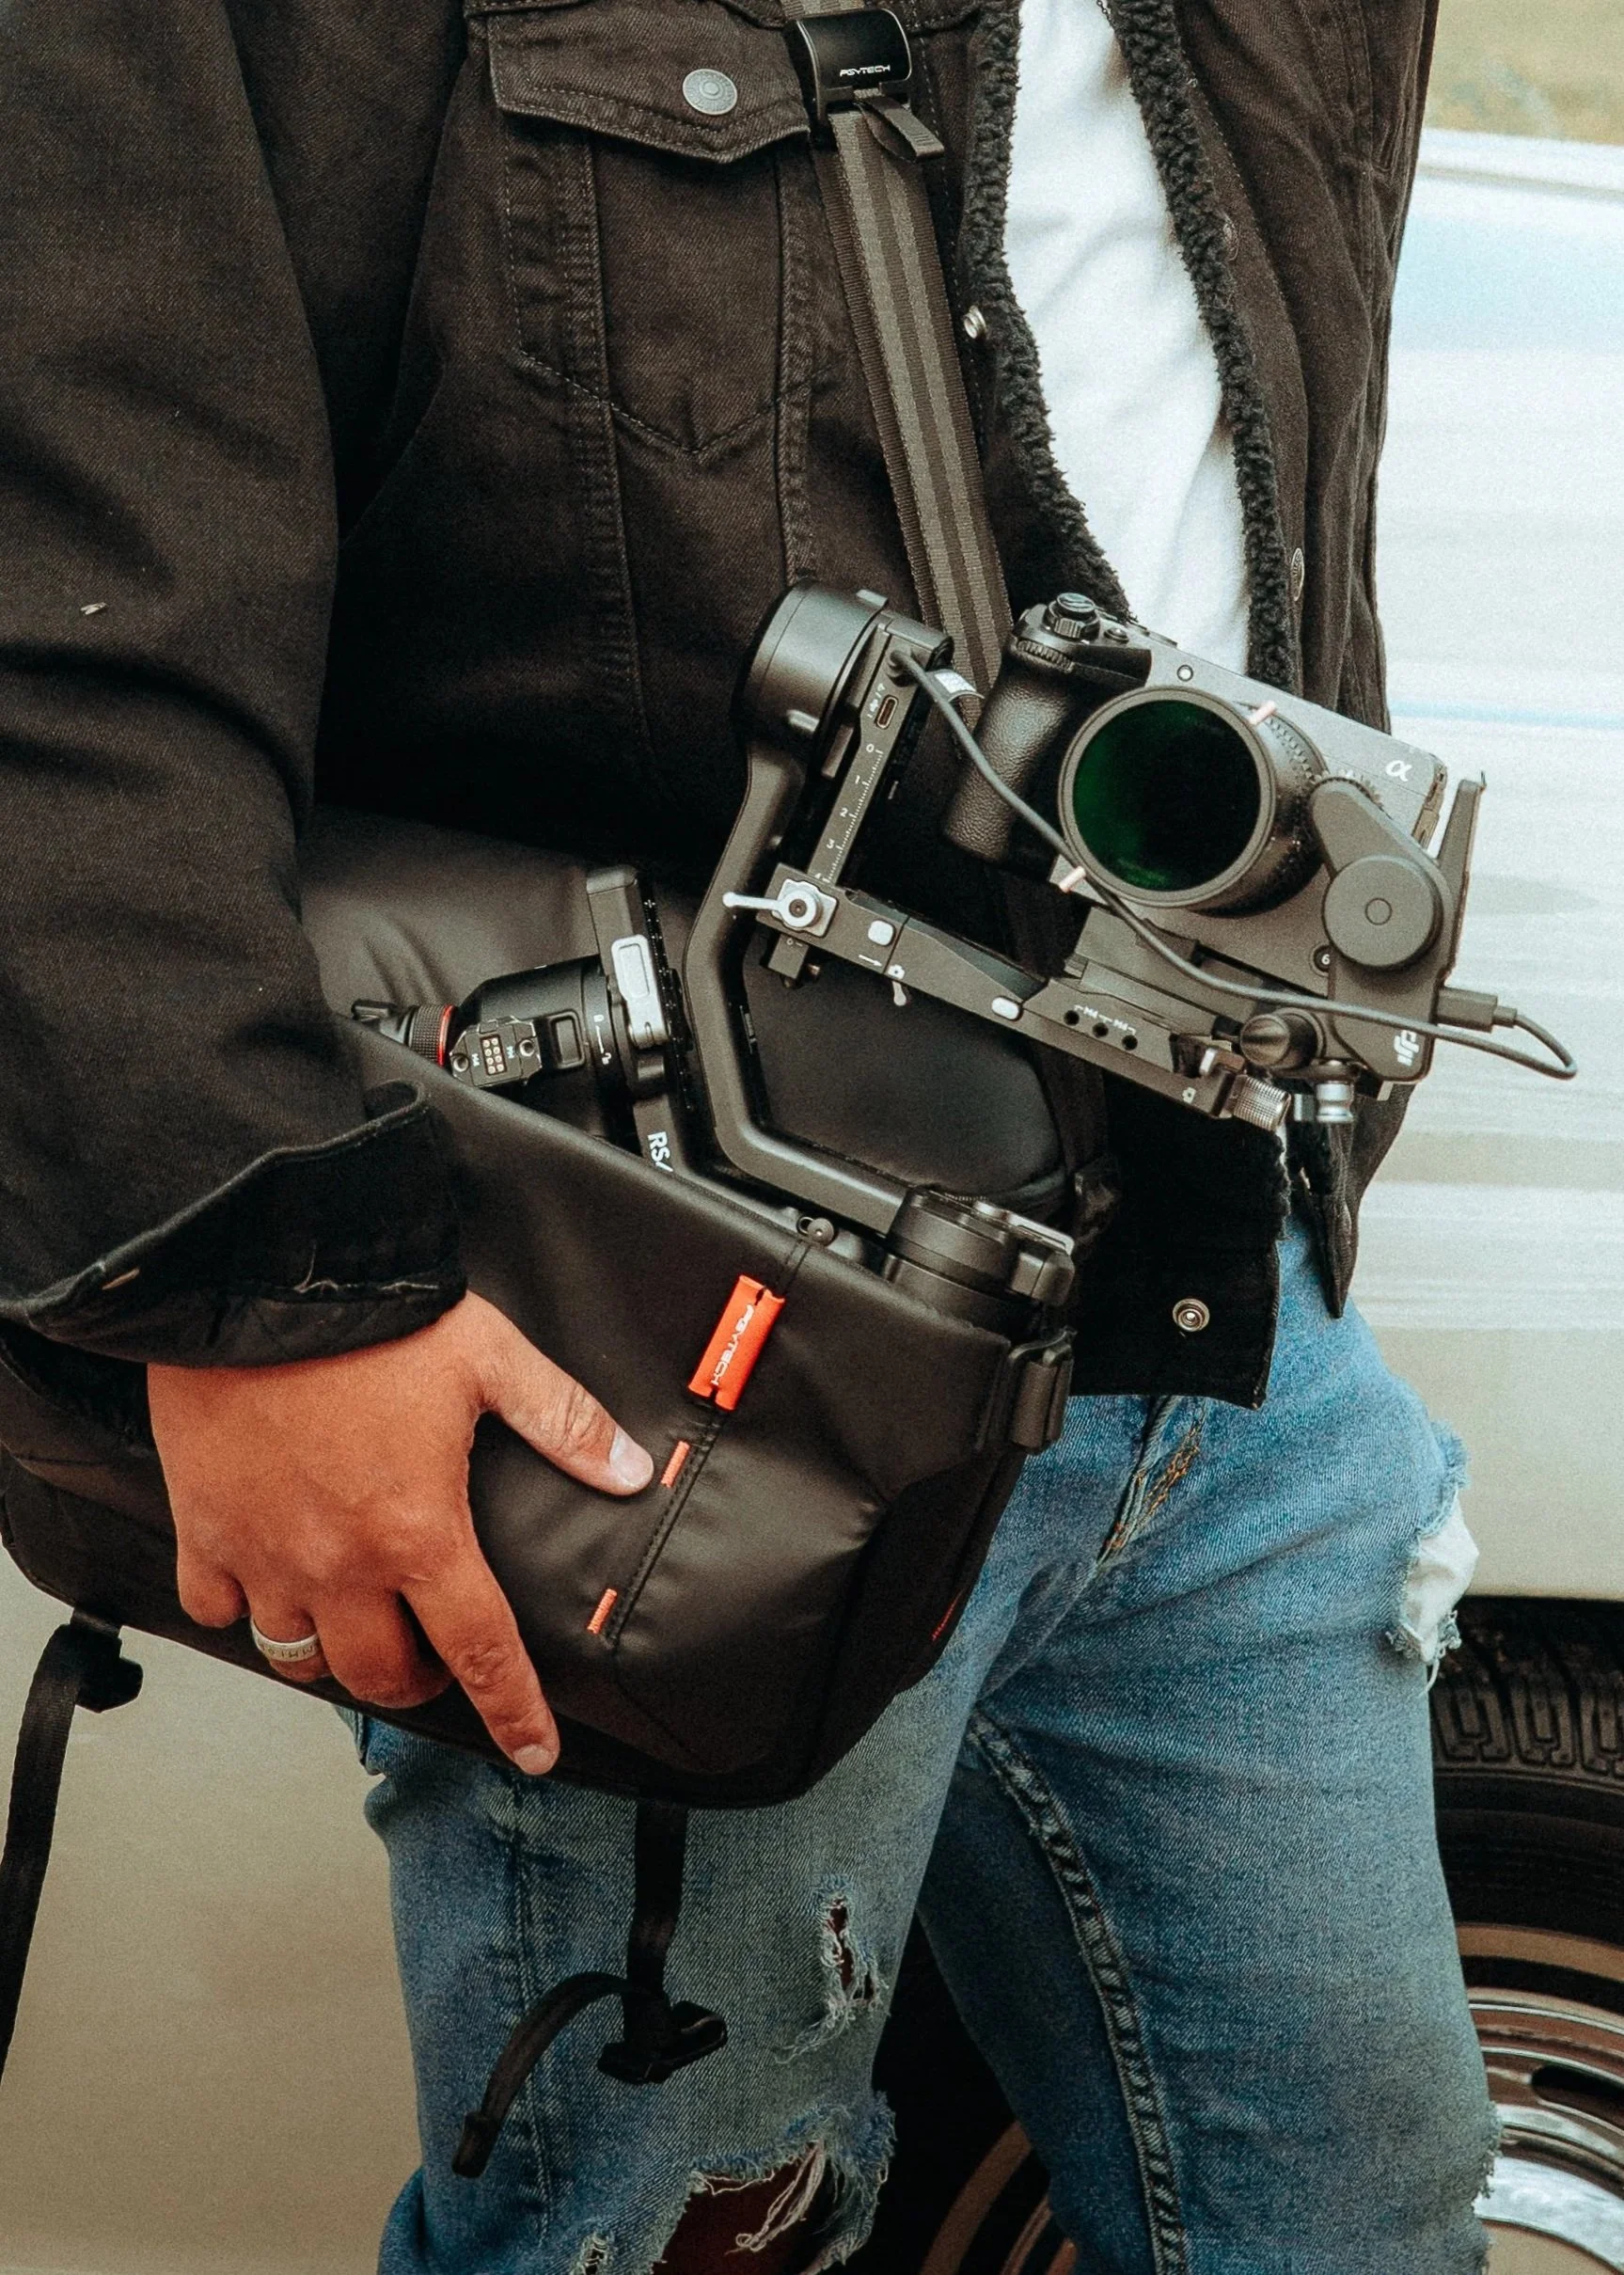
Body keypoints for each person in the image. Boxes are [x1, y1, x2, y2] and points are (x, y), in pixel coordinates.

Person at [0, 0, 1496, 2267]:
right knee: (671, 2237)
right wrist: (255, 1283)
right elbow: (59, 569)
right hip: (686, 1350)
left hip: (1217, 1315)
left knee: (1352, 2222)